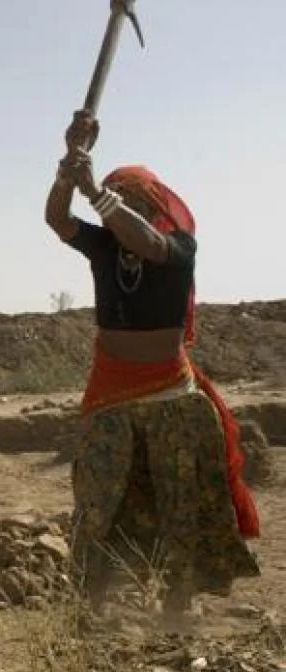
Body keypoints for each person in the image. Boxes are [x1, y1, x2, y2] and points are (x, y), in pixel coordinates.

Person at [47, 111, 260, 627]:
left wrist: (95, 187)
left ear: (156, 209)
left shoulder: (178, 249)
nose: (125, 209)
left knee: (180, 502)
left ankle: (178, 604)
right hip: (110, 395)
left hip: (172, 398)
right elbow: (57, 219)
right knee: (97, 500)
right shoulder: (102, 246)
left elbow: (144, 240)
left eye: (137, 201)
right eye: (122, 199)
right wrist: (65, 173)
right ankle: (90, 602)